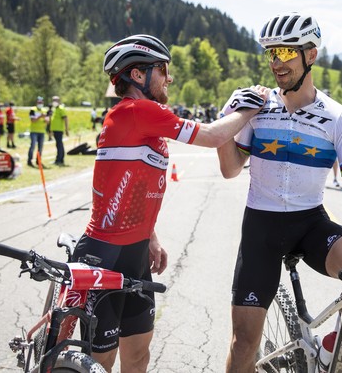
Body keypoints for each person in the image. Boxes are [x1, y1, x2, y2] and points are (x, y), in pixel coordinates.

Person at [216, 13, 342, 373]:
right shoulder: (256, 107)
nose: (276, 63)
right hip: (261, 227)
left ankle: (329, 349)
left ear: (311, 55)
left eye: (286, 53)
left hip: (310, 222)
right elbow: (229, 169)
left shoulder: (338, 117)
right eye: (272, 54)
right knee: (244, 344)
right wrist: (228, 118)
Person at [72, 34, 266, 373]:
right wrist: (249, 109)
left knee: (138, 355)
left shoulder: (138, 117)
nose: (169, 78)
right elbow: (210, 136)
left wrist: (151, 237)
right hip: (104, 254)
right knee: (99, 362)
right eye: (163, 70)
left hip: (134, 255)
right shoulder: (136, 110)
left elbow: (127, 184)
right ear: (138, 75)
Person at [27, 96, 49, 167]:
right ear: (37, 102)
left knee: (40, 147)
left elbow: (47, 121)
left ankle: (38, 161)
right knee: (33, 146)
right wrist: (40, 116)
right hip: (34, 131)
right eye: (39, 102)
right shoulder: (32, 109)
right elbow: (32, 120)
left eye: (41, 102)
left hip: (42, 131)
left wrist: (46, 120)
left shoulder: (45, 110)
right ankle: (29, 160)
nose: (40, 103)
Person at [50, 95, 69, 165]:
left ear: (59, 101)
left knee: (59, 144)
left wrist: (67, 130)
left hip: (59, 130)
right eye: (53, 100)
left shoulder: (61, 109)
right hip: (55, 130)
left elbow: (66, 119)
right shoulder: (55, 109)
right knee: (59, 144)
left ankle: (59, 159)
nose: (54, 102)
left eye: (56, 100)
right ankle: (60, 159)